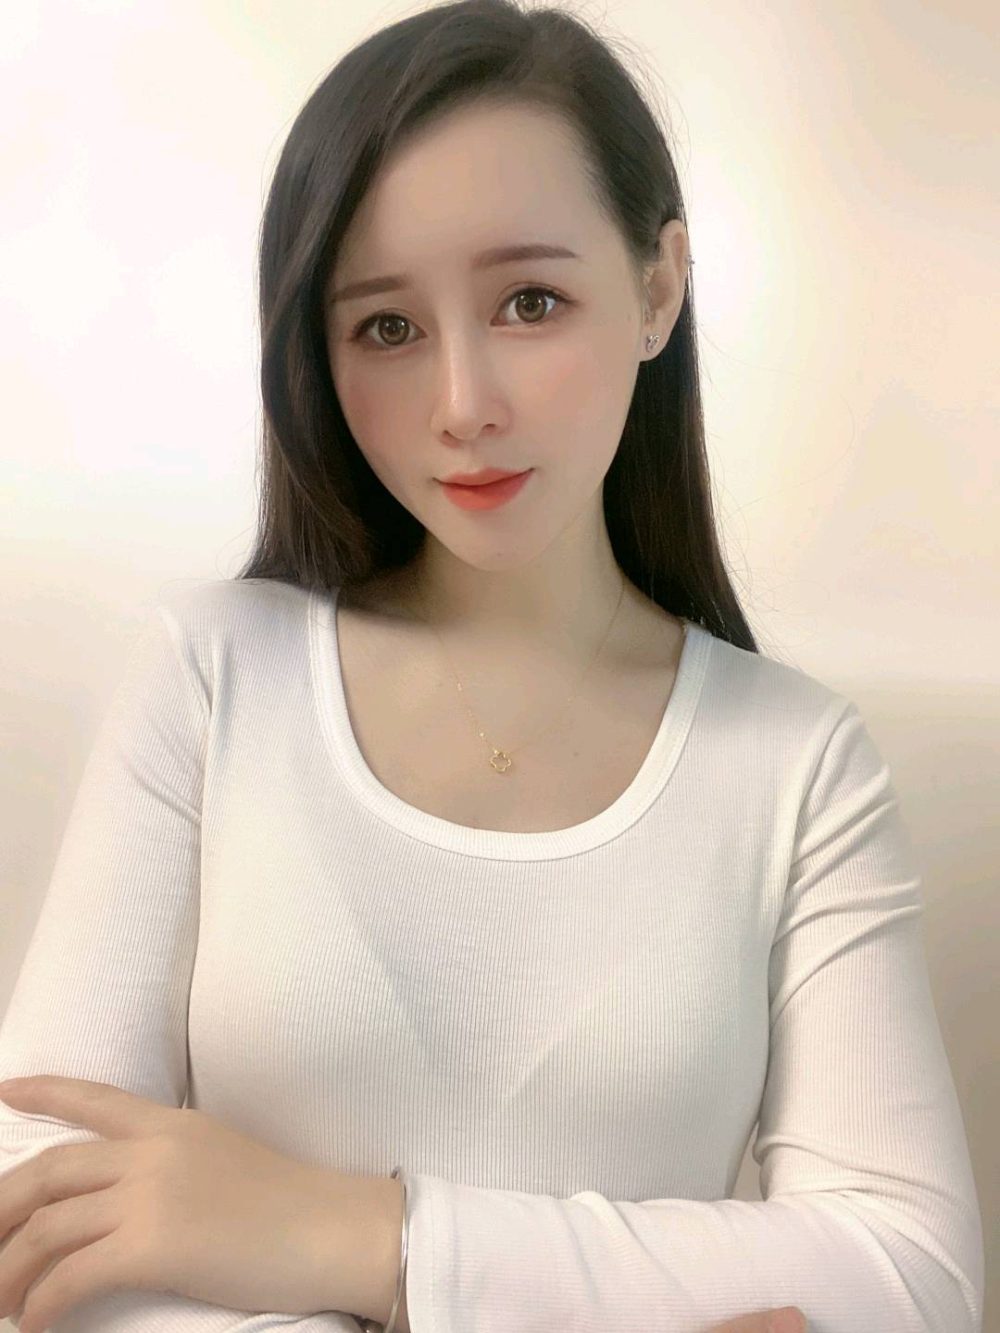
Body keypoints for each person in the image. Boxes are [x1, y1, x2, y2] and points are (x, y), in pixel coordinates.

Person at [0, 0, 984, 1330]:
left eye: (530, 301)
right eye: (385, 328)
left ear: (658, 288)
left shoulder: (799, 764)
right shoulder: (211, 676)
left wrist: (358, 1234)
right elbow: (37, 1203)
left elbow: (910, 1275)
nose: (463, 404)